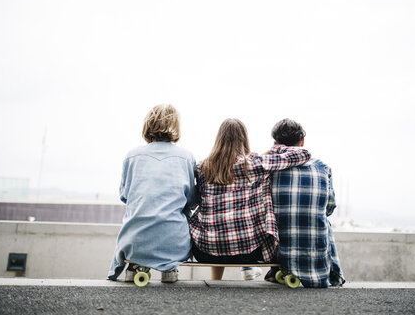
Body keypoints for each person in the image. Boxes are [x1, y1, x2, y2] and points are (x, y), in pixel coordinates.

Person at [188, 118, 311, 280]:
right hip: (249, 253)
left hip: (204, 253)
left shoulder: (202, 167)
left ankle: (216, 279)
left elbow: (196, 201)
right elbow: (303, 154)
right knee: (259, 194)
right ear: (244, 139)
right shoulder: (255, 164)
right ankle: (247, 269)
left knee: (215, 217)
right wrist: (270, 151)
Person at [108, 104, 196, 283]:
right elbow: (192, 201)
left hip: (135, 243)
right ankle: (170, 270)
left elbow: (125, 195)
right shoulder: (186, 157)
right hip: (174, 244)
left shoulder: (132, 156)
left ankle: (134, 267)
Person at [265, 118, 345, 288]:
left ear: (274, 143)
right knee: (324, 220)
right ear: (302, 141)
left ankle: (276, 271)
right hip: (317, 258)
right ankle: (334, 274)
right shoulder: (323, 167)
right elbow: (329, 207)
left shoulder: (270, 168)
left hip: (279, 252)